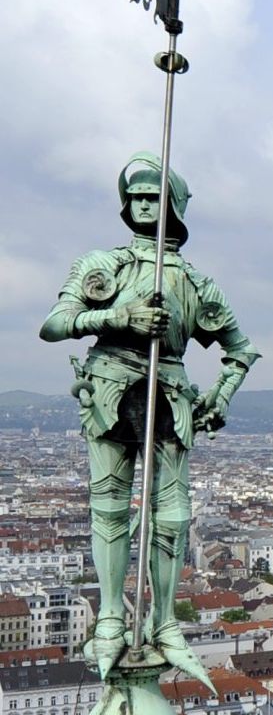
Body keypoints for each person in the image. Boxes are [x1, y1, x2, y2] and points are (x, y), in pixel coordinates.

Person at [41, 152, 258, 678]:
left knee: (173, 514)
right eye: (135, 198)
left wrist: (221, 397)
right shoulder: (103, 265)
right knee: (110, 506)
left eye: (152, 198)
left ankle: (164, 621)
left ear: (173, 206)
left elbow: (240, 350)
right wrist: (118, 316)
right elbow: (55, 323)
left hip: (171, 393)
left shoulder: (197, 283)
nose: (142, 206)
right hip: (111, 383)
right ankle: (112, 618)